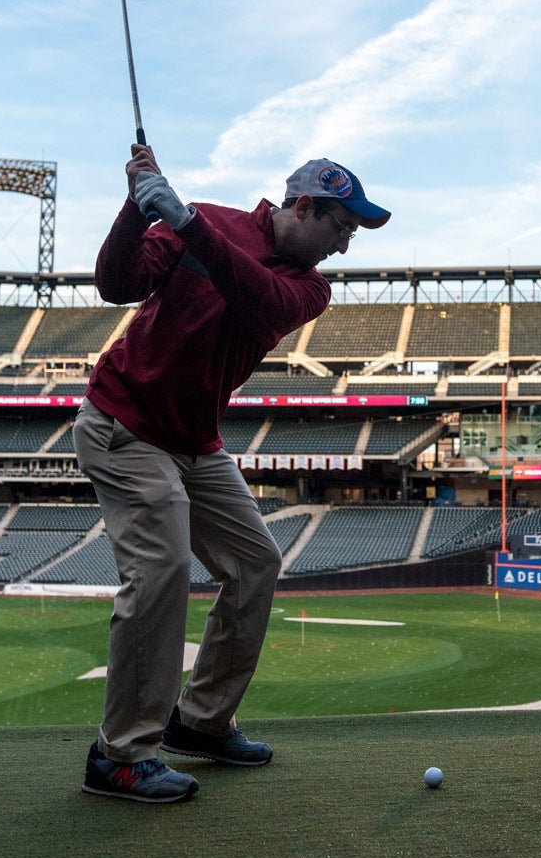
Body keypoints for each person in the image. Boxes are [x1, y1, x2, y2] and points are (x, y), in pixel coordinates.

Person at [75, 149, 390, 803]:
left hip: (193, 440)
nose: (343, 243)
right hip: (125, 421)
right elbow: (117, 282)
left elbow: (257, 295)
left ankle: (201, 718)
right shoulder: (211, 222)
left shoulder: (308, 287)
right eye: (340, 226)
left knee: (255, 562)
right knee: (161, 569)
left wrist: (185, 221)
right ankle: (121, 755)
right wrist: (138, 204)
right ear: (305, 205)